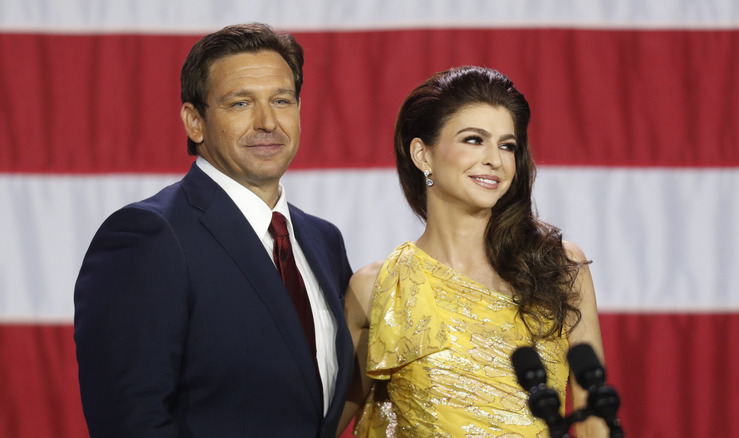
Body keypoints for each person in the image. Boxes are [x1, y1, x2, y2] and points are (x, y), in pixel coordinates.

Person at [74, 23, 353, 437]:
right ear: (195, 121)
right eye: (241, 103)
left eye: (281, 100)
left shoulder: (323, 240)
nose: (267, 122)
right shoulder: (148, 236)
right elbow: (130, 423)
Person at [340, 66, 608, 437]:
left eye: (507, 145)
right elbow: (325, 423)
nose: (495, 160)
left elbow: (594, 413)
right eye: (473, 140)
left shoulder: (558, 268)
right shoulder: (380, 287)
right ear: (422, 154)